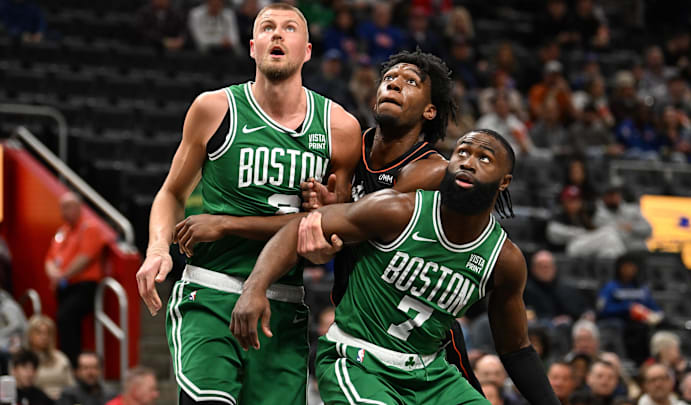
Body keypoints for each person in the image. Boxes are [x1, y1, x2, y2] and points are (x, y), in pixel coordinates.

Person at [135, 3, 361, 404]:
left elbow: (329, 240)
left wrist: (322, 220)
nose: (277, 35)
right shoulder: (214, 108)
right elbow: (171, 192)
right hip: (211, 294)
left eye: (289, 28)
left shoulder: (340, 127)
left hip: (283, 306)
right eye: (268, 28)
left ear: (307, 50)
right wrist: (157, 250)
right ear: (252, 46)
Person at [232, 130, 561, 404]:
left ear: (504, 182)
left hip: (431, 375)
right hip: (359, 360)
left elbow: (516, 348)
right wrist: (254, 288)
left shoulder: (504, 259)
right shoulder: (398, 211)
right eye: (462, 152)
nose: (468, 162)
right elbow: (299, 227)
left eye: (483, 158)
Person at [298, 50, 486, 394]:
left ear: (430, 110)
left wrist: (330, 216)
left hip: (419, 340)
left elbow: (363, 227)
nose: (395, 84)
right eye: (389, 79)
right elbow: (332, 226)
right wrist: (327, 205)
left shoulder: (430, 170)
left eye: (410, 82)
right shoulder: (352, 146)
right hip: (363, 327)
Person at [45, 192, 111, 366]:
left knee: (66, 317)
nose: (63, 211)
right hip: (63, 288)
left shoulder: (90, 227)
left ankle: (73, 364)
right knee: (64, 321)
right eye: (62, 207)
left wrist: (62, 274)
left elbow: (86, 257)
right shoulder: (62, 232)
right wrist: (53, 273)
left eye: (67, 207)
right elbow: (50, 259)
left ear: (78, 207)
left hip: (84, 286)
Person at [597, 253, 662, 364]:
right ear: (619, 268)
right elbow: (603, 309)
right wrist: (626, 308)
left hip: (641, 324)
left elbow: (653, 307)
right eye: (626, 266)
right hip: (620, 323)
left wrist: (657, 314)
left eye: (632, 266)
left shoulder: (641, 288)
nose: (629, 270)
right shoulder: (610, 287)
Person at [593, 179, 653, 252]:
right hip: (616, 252)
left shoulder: (633, 210)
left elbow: (649, 230)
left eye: (616, 194)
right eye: (610, 195)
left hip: (638, 250)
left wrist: (632, 228)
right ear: (604, 197)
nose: (614, 198)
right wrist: (627, 230)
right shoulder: (599, 215)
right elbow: (610, 237)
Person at [27, 315, 74, 400]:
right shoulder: (23, 359)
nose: (44, 337)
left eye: (47, 333)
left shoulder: (61, 357)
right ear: (30, 335)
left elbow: (71, 385)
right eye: (39, 333)